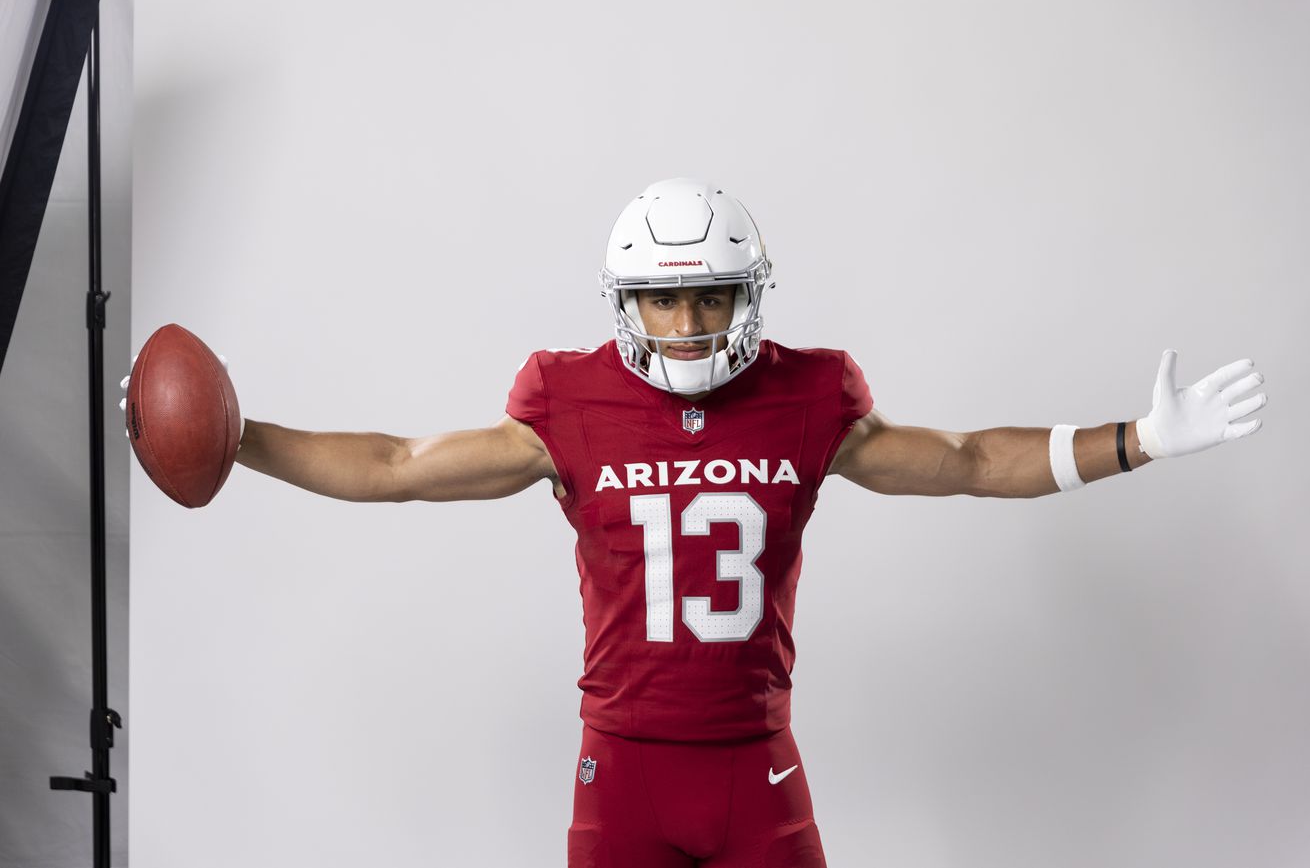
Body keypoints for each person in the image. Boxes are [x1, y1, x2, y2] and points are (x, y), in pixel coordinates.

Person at [122, 177, 1267, 867]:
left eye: (705, 295)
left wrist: (1137, 440)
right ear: (625, 303)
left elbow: (967, 460)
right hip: (618, 771)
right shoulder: (567, 405)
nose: (681, 321)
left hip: (752, 767)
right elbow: (398, 466)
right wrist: (238, 436)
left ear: (745, 297)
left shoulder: (809, 397)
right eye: (661, 297)